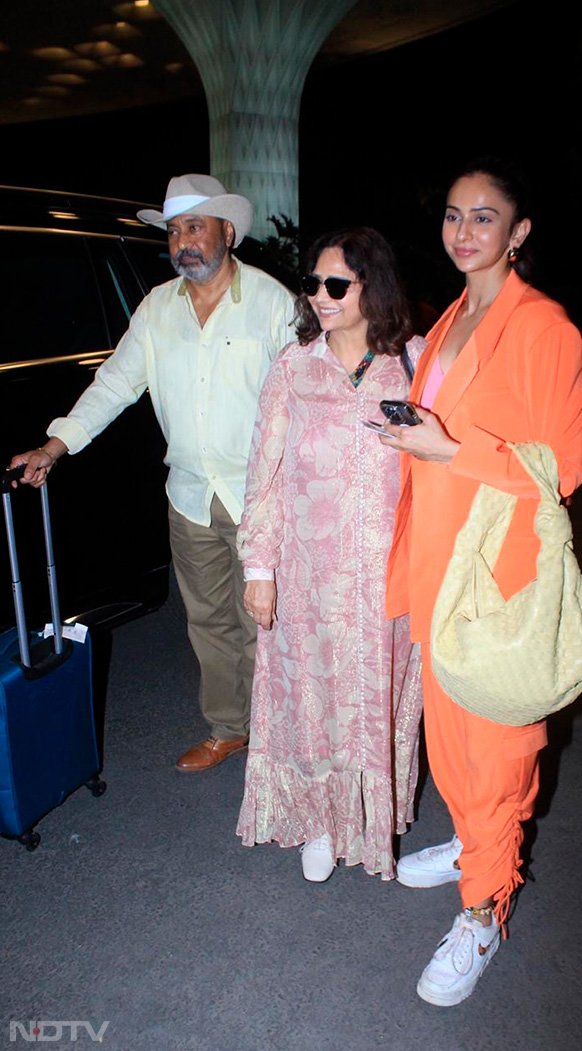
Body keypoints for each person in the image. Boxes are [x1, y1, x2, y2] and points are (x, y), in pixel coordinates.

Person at [380, 159, 582, 1006]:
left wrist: (447, 449)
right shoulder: (458, 312)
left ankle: (485, 908)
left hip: (498, 574)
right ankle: (475, 844)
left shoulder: (546, 329)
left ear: (519, 231)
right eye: (455, 217)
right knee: (449, 736)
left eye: (485, 217)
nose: (464, 233)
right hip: (435, 556)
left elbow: (561, 471)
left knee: (497, 750)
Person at [10, 174, 296, 773]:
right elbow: (115, 382)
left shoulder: (273, 303)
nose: (182, 242)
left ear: (226, 231)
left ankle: (285, 732)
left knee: (272, 618)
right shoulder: (156, 309)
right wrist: (54, 446)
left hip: (265, 497)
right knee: (210, 621)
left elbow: (307, 395)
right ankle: (229, 728)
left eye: (195, 227)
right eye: (173, 232)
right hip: (191, 495)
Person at [236, 227, 425, 881]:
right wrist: (259, 568)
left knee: (370, 698)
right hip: (306, 574)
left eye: (336, 284)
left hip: (385, 578)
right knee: (312, 698)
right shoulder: (295, 365)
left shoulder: (414, 363)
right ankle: (318, 818)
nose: (320, 295)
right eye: (312, 283)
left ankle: (367, 821)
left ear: (373, 287)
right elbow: (262, 470)